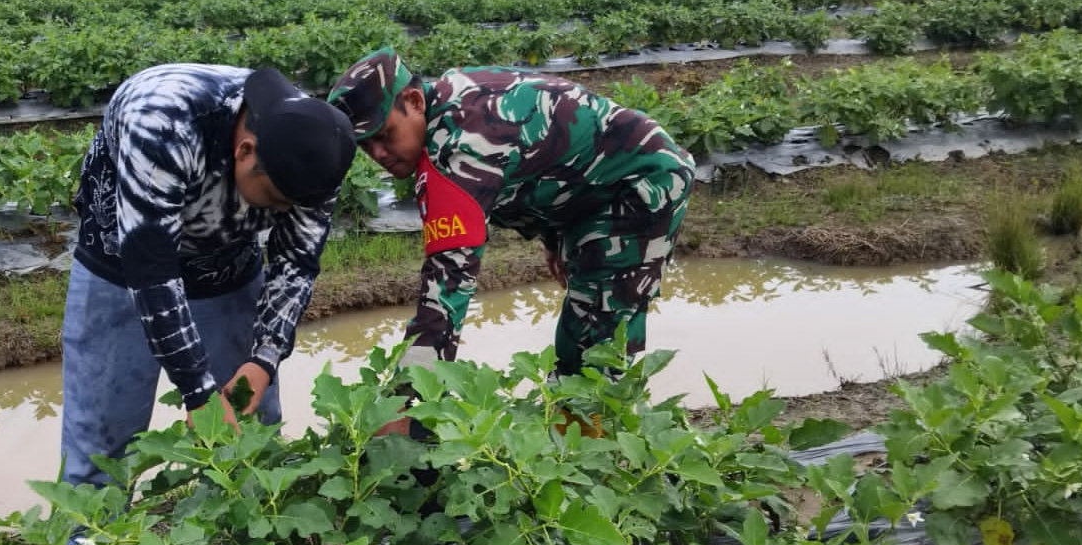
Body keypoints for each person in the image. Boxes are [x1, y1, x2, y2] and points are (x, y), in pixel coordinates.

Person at [327, 48, 694, 425]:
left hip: (642, 183)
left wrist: (406, 400)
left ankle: (600, 442)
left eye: (385, 135)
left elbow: (448, 284)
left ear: (415, 101)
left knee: (602, 332)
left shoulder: (464, 145)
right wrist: (555, 236)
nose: (379, 154)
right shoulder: (444, 107)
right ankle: (569, 431)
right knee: (578, 331)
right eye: (366, 145)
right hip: (588, 196)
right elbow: (543, 160)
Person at [60, 63, 357, 485]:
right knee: (101, 450)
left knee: (250, 430)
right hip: (121, 265)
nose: (283, 213)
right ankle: (93, 526)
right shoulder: (162, 124)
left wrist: (265, 357)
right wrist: (197, 390)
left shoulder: (318, 148)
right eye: (275, 199)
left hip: (227, 262)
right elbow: (152, 273)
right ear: (245, 151)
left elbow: (297, 262)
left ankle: (244, 519)